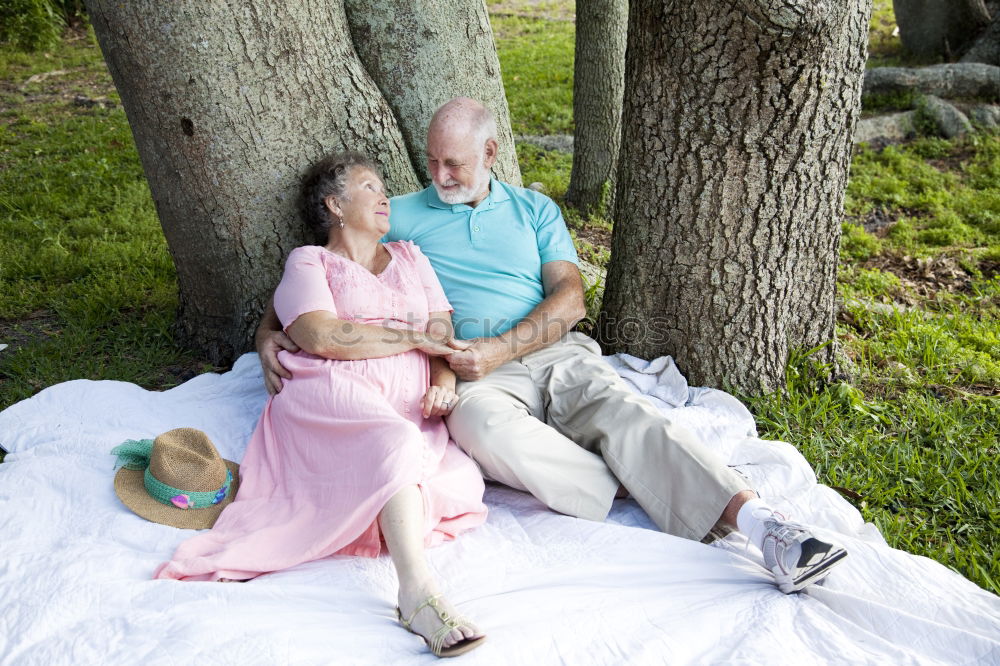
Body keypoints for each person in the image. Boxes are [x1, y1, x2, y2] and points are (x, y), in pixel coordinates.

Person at [257, 98, 847, 594]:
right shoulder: (402, 215)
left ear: (489, 155)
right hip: (472, 371)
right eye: (433, 162)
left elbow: (570, 298)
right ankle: (645, 476)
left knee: (623, 409)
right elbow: (320, 274)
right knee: (482, 431)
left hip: (549, 352)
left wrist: (503, 348)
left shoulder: (534, 208)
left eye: (455, 164)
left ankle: (765, 524)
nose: (439, 177)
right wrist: (266, 335)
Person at [157, 151, 488, 658]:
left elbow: (442, 335)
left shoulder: (410, 257)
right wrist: (414, 337)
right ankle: (418, 593)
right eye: (370, 187)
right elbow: (322, 336)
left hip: (407, 406)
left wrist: (442, 379)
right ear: (334, 205)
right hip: (328, 397)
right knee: (392, 442)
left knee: (435, 468)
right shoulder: (309, 261)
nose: (384, 197)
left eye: (383, 188)